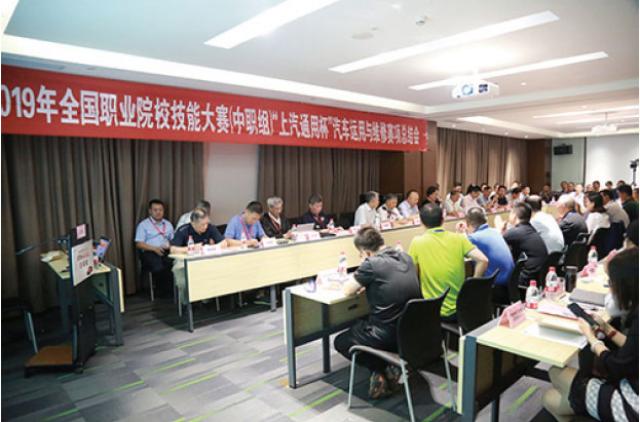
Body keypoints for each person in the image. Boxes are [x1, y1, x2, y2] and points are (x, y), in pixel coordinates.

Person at [542, 248, 638, 422]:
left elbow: (617, 365)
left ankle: (577, 410)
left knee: (550, 394)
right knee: (556, 383)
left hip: (631, 406)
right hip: (632, 387)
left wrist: (592, 339)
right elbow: (633, 348)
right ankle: (577, 408)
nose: (611, 287)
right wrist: (606, 328)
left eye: (611, 282)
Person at [334, 227, 422, 399]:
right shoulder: (406, 256)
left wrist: (363, 272)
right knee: (362, 320)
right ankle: (389, 367)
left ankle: (381, 368)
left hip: (387, 334)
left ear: (366, 252)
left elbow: (347, 290)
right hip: (411, 331)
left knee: (341, 341)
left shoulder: (371, 264)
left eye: (360, 254)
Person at [408, 204, 488, 321]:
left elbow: (413, 276)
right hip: (462, 307)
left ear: (421, 222)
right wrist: (473, 287)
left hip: (435, 310)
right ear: (443, 220)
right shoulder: (459, 238)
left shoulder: (417, 242)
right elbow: (483, 260)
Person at [170, 208, 239, 301]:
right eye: (202, 224)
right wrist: (190, 248)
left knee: (216, 276)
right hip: (184, 262)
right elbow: (173, 249)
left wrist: (211, 248)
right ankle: (186, 303)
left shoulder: (210, 227)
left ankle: (206, 301)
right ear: (193, 223)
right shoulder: (183, 230)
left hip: (205, 261)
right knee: (184, 283)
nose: (205, 227)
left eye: (206, 223)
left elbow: (224, 243)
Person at [464, 207, 515, 303]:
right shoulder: (495, 232)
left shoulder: (473, 238)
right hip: (509, 283)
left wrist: (463, 233)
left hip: (495, 285)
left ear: (468, 224)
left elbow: (463, 253)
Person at [500, 202, 548, 286]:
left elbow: (498, 243)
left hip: (526, 279)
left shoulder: (516, 232)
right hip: (540, 276)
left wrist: (500, 229)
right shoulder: (530, 228)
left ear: (514, 216)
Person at [135, 199, 175, 296]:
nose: (158, 212)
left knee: (174, 264)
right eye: (155, 210)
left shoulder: (168, 224)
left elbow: (174, 240)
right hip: (150, 251)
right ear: (150, 211)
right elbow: (139, 244)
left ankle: (170, 291)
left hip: (166, 250)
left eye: (160, 210)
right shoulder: (143, 225)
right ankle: (160, 291)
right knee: (158, 267)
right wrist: (154, 249)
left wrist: (170, 245)